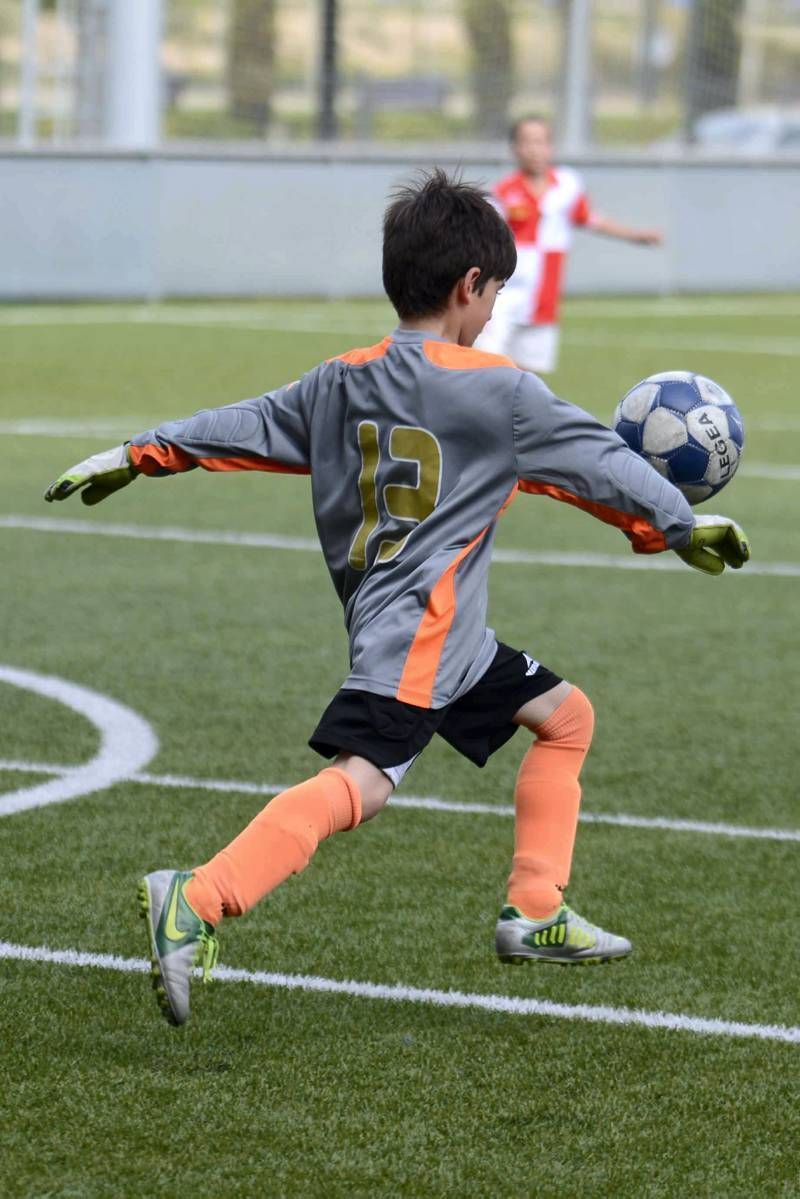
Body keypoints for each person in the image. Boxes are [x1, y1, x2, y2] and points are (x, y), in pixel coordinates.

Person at [44, 170, 749, 1028]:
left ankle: (534, 908)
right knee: (364, 783)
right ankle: (197, 896)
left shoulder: (337, 378)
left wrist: (143, 450)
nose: (494, 313)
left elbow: (241, 424)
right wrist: (677, 526)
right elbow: (603, 462)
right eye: (496, 294)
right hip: (422, 633)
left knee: (565, 716)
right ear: (469, 287)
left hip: (435, 628)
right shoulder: (501, 388)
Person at [475, 115, 663, 374]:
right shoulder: (503, 192)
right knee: (485, 362)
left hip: (544, 294)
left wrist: (634, 235)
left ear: (550, 147)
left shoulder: (567, 185)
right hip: (506, 293)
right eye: (526, 142)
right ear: (515, 148)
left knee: (530, 373)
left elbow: (590, 219)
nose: (533, 149)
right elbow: (486, 239)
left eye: (540, 142)